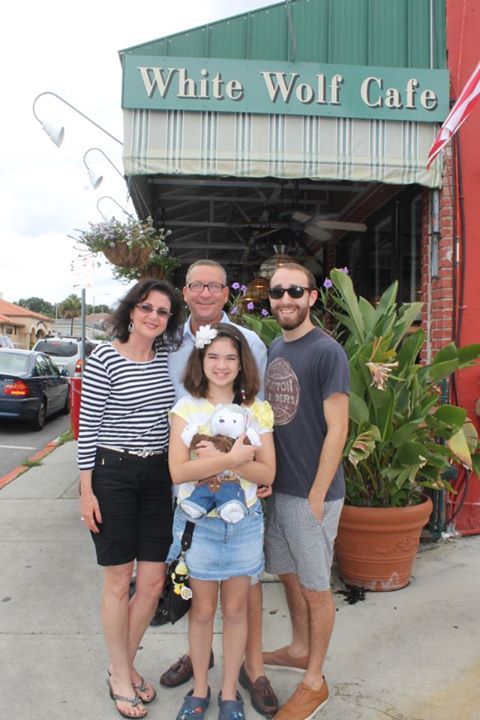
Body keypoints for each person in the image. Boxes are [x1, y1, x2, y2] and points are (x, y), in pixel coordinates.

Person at [162, 259, 279, 717]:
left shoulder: (259, 411)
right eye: (214, 357)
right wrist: (237, 459)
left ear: (242, 363)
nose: (223, 365)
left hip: (245, 525)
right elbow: (176, 472)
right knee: (202, 612)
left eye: (231, 359)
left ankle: (230, 692)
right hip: (199, 527)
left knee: (236, 613)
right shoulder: (186, 410)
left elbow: (268, 473)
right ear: (200, 361)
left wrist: (227, 465)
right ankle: (199, 689)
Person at [78, 278, 183, 719]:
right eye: (146, 308)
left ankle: (124, 664)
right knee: (119, 581)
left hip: (158, 474)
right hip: (113, 474)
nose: (153, 317)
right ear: (131, 310)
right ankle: (120, 675)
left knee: (154, 582)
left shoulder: (166, 359)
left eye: (162, 312)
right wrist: (86, 490)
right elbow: (88, 424)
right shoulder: (104, 358)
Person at [263, 263, 350, 720]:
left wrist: (317, 494)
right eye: (278, 292)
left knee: (316, 587)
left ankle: (314, 682)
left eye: (295, 290)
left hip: (310, 494)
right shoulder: (277, 346)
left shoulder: (326, 351)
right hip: (279, 489)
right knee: (289, 575)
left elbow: (338, 429)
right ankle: (299, 648)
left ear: (312, 297)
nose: (286, 299)